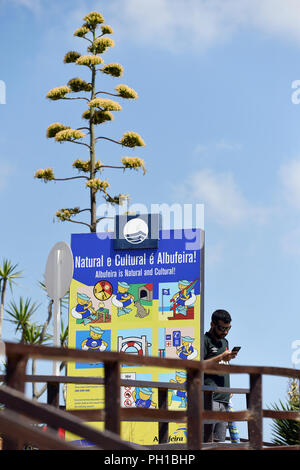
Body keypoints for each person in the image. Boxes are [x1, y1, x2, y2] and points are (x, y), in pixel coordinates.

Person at [203, 309, 238, 443]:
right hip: (209, 398)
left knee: (220, 442)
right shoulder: (204, 340)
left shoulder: (225, 342)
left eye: (228, 328)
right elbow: (200, 365)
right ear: (212, 324)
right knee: (205, 440)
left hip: (224, 398)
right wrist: (220, 357)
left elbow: (224, 366)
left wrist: (227, 358)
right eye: (222, 328)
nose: (225, 332)